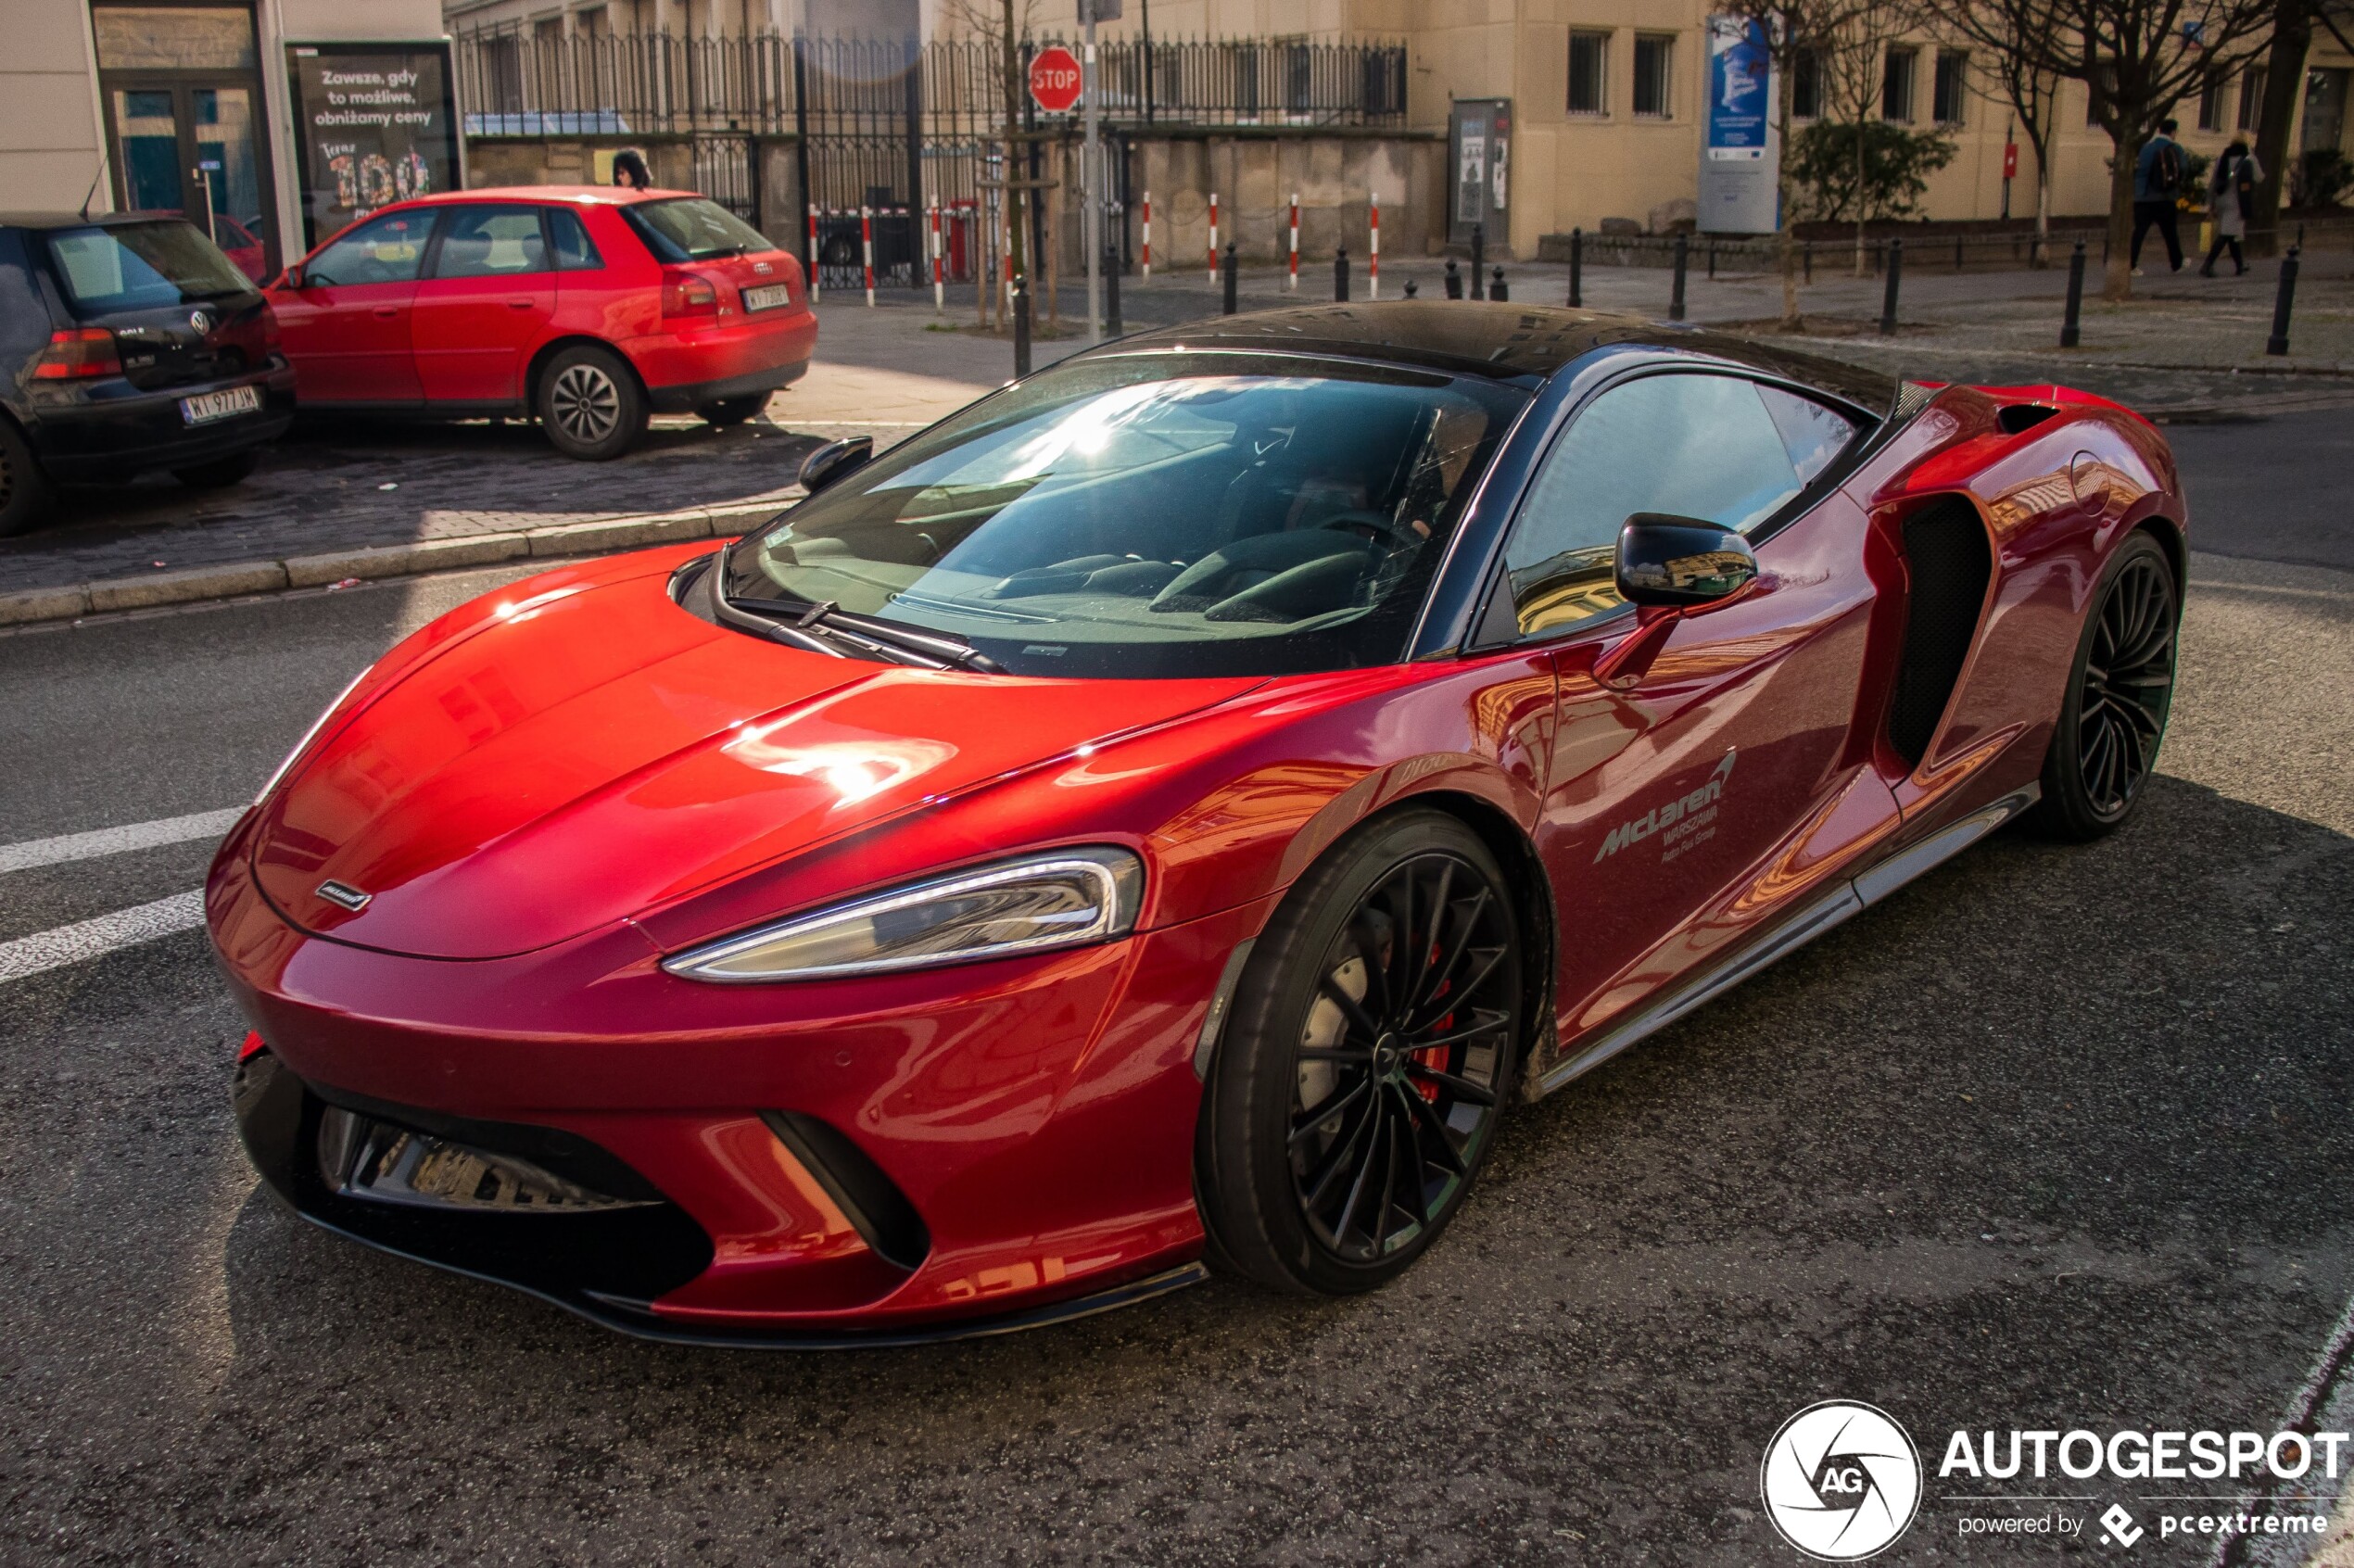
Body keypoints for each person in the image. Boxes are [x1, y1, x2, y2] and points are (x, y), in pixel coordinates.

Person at [2130, 119, 2186, 274]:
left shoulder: (2147, 147)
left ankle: (2131, 264)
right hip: (2165, 197)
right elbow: (2182, 169)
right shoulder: (2176, 148)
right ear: (2173, 132)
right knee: (2170, 233)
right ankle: (2176, 263)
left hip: (2143, 197)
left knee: (2139, 232)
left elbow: (2139, 170)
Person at [2203, 139, 2263, 276]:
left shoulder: (2222, 158)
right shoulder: (2248, 159)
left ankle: (2240, 265)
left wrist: (2210, 202)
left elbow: (2214, 182)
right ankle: (2208, 264)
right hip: (2237, 202)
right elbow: (2259, 177)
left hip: (2221, 200)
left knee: (2232, 235)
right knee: (2226, 234)